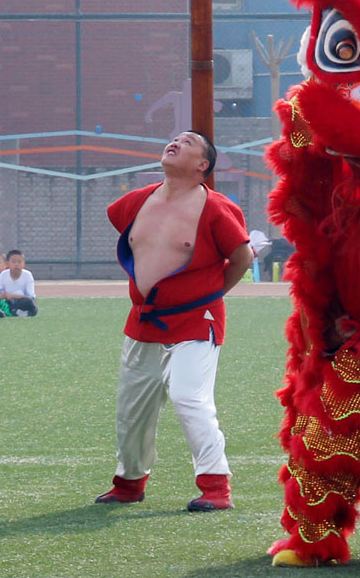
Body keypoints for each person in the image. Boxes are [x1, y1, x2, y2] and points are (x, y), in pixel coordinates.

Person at [97, 131, 252, 513]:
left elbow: (242, 257)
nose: (175, 142)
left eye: (188, 142)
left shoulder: (215, 208)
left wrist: (209, 296)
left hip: (197, 321)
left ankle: (216, 486)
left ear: (203, 165)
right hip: (143, 321)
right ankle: (130, 482)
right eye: (174, 139)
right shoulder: (134, 202)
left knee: (189, 396)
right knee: (132, 409)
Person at [0, 249, 38, 317]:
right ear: (7, 264)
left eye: (19, 262)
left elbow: (30, 296)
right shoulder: (3, 275)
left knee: (28, 302)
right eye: (13, 262)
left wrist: (12, 296)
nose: (16, 264)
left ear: (24, 264)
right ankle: (16, 312)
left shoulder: (27, 275)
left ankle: (18, 312)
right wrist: (2, 296)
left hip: (22, 301)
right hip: (8, 301)